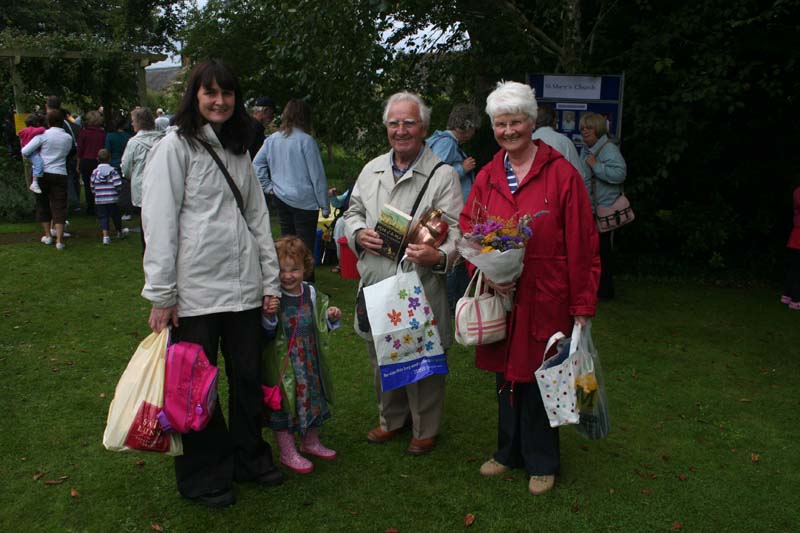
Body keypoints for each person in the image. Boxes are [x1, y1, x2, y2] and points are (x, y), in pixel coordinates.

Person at [141, 59, 283, 508]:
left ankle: (247, 455)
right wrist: (162, 294)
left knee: (245, 378)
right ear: (195, 98)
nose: (219, 101)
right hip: (196, 293)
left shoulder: (240, 148)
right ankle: (204, 472)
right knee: (194, 387)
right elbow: (159, 223)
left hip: (243, 289)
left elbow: (258, 219)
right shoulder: (175, 147)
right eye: (210, 93)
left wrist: (270, 282)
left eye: (227, 93)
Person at [459, 81, 599, 496]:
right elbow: (469, 228)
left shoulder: (561, 175)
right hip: (503, 295)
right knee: (505, 376)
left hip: (548, 294)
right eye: (500, 124)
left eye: (515, 122)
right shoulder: (487, 175)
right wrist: (488, 270)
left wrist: (583, 303)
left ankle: (542, 460)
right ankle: (508, 452)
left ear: (531, 122)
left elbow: (583, 242)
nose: (508, 131)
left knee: (543, 379)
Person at [343, 91, 463, 455]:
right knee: (380, 355)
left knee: (422, 358)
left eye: (408, 122)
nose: (400, 130)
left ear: (424, 127)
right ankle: (391, 421)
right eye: (394, 123)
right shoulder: (371, 169)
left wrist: (438, 255)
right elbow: (352, 211)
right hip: (377, 279)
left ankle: (425, 428)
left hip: (419, 282)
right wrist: (356, 233)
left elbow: (457, 231)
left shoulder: (443, 175)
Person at [262, 236, 341, 474]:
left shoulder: (311, 293)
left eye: (294, 269)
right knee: (285, 403)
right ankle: (287, 451)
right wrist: (268, 315)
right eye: (281, 270)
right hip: (284, 363)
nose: (288, 276)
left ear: (305, 267)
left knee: (311, 396)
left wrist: (330, 316)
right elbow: (266, 332)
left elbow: (319, 322)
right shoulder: (272, 297)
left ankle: (310, 441)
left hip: (308, 359)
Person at [253, 99, 330, 259]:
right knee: (305, 250)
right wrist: (324, 205)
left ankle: (287, 279)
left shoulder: (272, 139)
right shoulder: (306, 142)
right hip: (305, 203)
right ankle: (306, 282)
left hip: (281, 197)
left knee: (287, 246)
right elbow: (317, 176)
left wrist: (269, 187)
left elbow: (256, 165)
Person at [426, 103, 481, 312]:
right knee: (453, 258)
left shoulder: (444, 141)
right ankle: (451, 305)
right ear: (466, 126)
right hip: (450, 213)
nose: (474, 133)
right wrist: (462, 168)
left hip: (448, 213)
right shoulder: (447, 144)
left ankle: (453, 302)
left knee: (455, 257)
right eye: (473, 127)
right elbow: (436, 175)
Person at [579, 111, 627, 300]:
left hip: (604, 209)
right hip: (592, 208)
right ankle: (598, 289)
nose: (584, 131)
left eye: (589, 127)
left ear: (598, 129)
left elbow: (620, 174)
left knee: (602, 252)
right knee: (595, 250)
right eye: (582, 127)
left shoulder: (607, 149)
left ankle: (604, 291)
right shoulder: (586, 148)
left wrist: (596, 165)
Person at [21, 109, 74, 250]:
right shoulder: (68, 138)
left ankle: (47, 236)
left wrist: (35, 159)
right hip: (60, 173)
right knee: (59, 206)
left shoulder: (43, 135)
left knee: (43, 204)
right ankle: (59, 240)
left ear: (48, 121)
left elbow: (25, 150)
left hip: (43, 173)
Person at [121, 107, 164, 251]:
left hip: (142, 187)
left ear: (139, 122)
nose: (132, 124)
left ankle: (147, 252)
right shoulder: (163, 139)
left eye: (133, 121)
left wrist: (131, 174)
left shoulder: (133, 143)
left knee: (145, 223)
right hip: (161, 185)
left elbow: (126, 168)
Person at [532, 105, 586, 179]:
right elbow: (579, 175)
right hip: (558, 188)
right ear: (554, 121)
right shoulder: (564, 141)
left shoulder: (526, 141)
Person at [90, 149, 125, 245]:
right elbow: (118, 184)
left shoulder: (95, 172)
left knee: (103, 217)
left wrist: (95, 193)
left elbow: (92, 185)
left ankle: (105, 236)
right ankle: (119, 231)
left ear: (97, 159)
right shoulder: (113, 171)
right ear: (109, 159)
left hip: (100, 199)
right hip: (112, 198)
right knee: (116, 216)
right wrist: (118, 192)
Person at [76, 110, 106, 215]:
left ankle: (90, 207)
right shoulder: (102, 134)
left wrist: (78, 164)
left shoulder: (83, 133)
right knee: (100, 184)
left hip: (86, 160)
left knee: (88, 186)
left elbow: (80, 150)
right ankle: (100, 205)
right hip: (98, 161)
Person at [104, 115, 133, 219]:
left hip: (113, 163)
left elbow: (107, 150)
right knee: (126, 188)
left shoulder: (110, 136)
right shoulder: (128, 136)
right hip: (124, 162)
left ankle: (115, 209)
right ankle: (127, 210)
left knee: (113, 188)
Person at [782, 184, 800, 310]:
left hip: (796, 236)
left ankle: (787, 296)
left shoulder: (797, 191)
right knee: (797, 269)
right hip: (798, 236)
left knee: (793, 269)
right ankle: (796, 300)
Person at [18, 114, 46, 193]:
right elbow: (41, 129)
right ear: (35, 123)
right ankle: (34, 183)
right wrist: (43, 127)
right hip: (32, 152)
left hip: (27, 152)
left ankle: (35, 180)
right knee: (39, 163)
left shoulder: (23, 131)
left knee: (35, 164)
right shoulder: (32, 130)